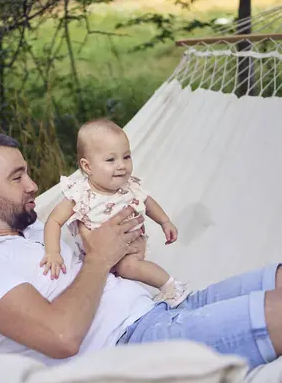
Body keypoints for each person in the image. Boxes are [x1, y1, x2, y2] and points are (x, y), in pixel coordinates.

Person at [0, 132, 282, 383]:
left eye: (27, 172)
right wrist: (101, 257)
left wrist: (122, 246)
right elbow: (60, 337)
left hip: (160, 311)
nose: (33, 185)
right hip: (129, 350)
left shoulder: (31, 230)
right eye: (17, 177)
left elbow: (101, 259)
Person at [40, 119, 189, 307]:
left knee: (127, 267)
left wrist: (165, 222)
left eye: (126, 157)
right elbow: (54, 220)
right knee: (99, 282)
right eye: (111, 160)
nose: (121, 165)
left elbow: (148, 202)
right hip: (98, 253)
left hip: (130, 245)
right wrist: (53, 252)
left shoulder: (129, 186)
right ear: (87, 167)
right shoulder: (80, 194)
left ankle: (171, 287)